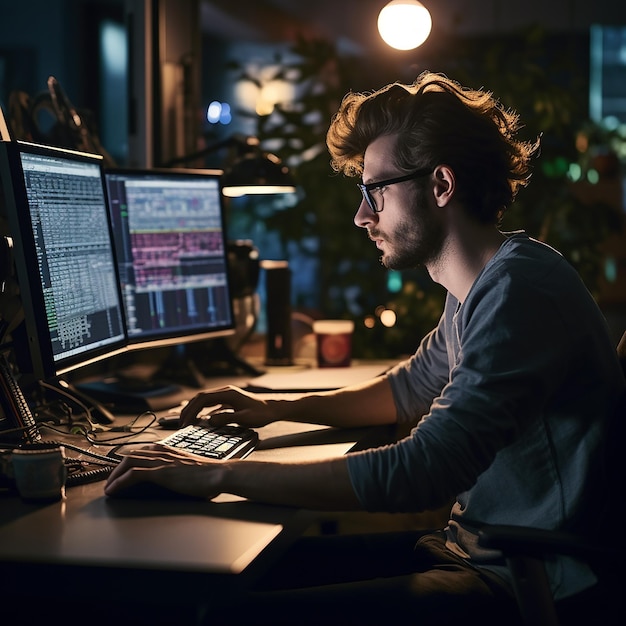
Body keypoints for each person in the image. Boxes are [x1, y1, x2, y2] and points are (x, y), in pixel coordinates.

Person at [105, 72, 625, 624]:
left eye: (375, 190)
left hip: (531, 583)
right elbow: (406, 390)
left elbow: (422, 469)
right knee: (214, 582)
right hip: (479, 552)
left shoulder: (518, 294)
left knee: (219, 613)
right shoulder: (483, 287)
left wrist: (213, 474)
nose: (361, 215)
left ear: (441, 185)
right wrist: (275, 409)